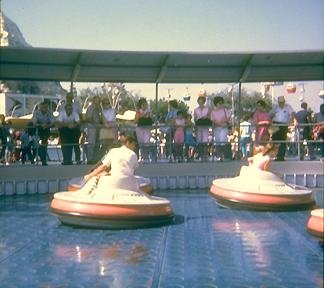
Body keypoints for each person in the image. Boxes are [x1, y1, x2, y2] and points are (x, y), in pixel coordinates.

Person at [269, 96, 295, 161]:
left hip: (284, 125)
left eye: (282, 102)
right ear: (278, 102)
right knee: (275, 140)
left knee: (282, 140)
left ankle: (281, 156)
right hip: (275, 124)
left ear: (284, 102)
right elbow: (270, 115)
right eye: (280, 102)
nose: (281, 103)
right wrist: (269, 122)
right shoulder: (275, 107)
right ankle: (275, 155)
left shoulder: (288, 106)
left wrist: (291, 120)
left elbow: (292, 113)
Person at [32, 101, 54, 165]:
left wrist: (47, 125)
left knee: (44, 144)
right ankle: (38, 157)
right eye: (44, 107)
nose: (45, 109)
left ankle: (43, 160)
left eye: (46, 107)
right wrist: (41, 125)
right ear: (40, 108)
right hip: (37, 129)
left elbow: (52, 121)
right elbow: (34, 122)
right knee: (36, 145)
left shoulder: (50, 112)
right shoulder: (36, 113)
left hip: (46, 129)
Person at [210, 96, 231, 161]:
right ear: (216, 104)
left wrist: (224, 123)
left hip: (224, 128)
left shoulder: (225, 110)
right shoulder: (213, 112)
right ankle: (218, 156)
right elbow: (213, 120)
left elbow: (228, 118)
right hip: (217, 128)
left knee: (223, 141)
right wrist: (220, 124)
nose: (221, 104)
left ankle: (224, 155)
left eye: (222, 103)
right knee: (217, 142)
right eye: (219, 103)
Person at [134, 98, 154, 162]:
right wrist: (142, 116)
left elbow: (152, 119)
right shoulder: (138, 112)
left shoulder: (149, 111)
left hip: (147, 128)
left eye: (145, 104)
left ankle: (146, 157)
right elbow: (135, 121)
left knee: (146, 142)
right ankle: (143, 156)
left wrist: (149, 115)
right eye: (143, 104)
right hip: (140, 128)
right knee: (141, 143)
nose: (144, 106)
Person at [85, 95, 102, 164]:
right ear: (94, 100)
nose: (99, 101)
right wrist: (95, 124)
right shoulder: (91, 108)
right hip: (92, 127)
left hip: (98, 127)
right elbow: (89, 118)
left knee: (97, 144)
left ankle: (96, 158)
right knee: (91, 143)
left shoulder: (99, 107)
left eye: (99, 100)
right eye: (97, 100)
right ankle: (90, 159)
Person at [194, 95, 211, 161]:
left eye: (202, 102)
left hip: (205, 126)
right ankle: (200, 154)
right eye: (199, 102)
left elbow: (210, 117)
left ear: (204, 102)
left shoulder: (207, 109)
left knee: (205, 141)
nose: (200, 103)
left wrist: (206, 117)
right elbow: (195, 118)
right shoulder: (196, 109)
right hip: (199, 126)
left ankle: (205, 155)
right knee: (199, 141)